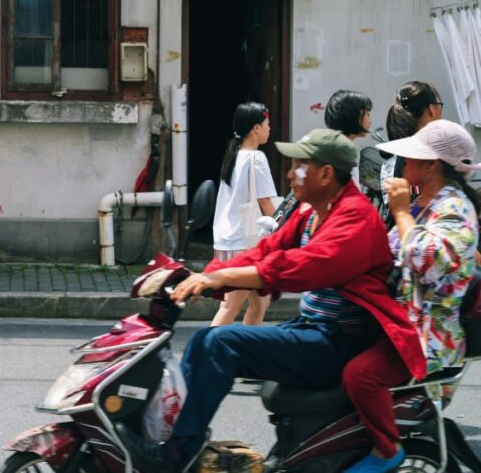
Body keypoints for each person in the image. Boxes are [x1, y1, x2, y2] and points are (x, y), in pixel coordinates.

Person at [153, 129, 426, 472]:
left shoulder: (355, 218)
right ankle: (174, 440)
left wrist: (220, 279)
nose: (289, 174)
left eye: (299, 166)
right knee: (204, 341)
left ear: (326, 174)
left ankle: (180, 452)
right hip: (313, 330)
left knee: (221, 343)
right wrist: (204, 277)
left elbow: (300, 268)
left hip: (338, 343)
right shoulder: (311, 211)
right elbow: (268, 248)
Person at [340, 120, 480, 472]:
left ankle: (387, 451)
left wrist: (400, 212)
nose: (403, 163)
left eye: (412, 157)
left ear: (432, 165)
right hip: (398, 320)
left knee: (362, 375)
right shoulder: (423, 202)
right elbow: (388, 255)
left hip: (430, 336)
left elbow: (425, 261)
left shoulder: (456, 211)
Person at [210, 102, 277, 326]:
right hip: (245, 243)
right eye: (267, 124)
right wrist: (283, 228)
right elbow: (265, 201)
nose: (270, 128)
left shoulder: (234, 156)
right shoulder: (256, 159)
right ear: (255, 128)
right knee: (230, 306)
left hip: (228, 239)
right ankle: (206, 352)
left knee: (259, 303)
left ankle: (246, 350)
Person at [272, 89, 372, 227]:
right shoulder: (340, 154)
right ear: (355, 116)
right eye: (367, 113)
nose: (370, 120)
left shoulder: (324, 144)